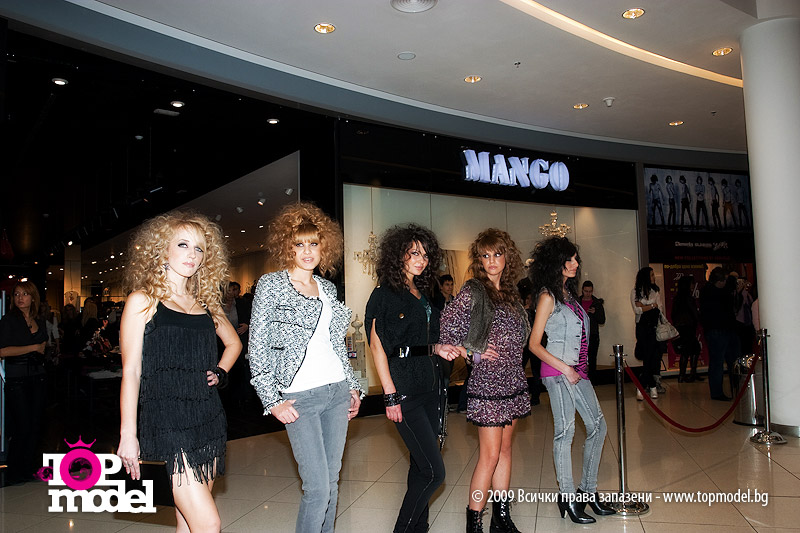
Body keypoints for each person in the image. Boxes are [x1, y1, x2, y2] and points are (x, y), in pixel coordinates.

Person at [116, 211, 241, 533]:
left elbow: (234, 343)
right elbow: (131, 371)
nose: (192, 254)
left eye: (199, 248)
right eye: (183, 245)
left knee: (187, 520)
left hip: (208, 418)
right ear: (163, 250)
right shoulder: (142, 301)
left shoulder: (206, 303)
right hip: (165, 421)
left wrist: (220, 372)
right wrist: (128, 434)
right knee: (209, 523)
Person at [248, 203, 364, 533]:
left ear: (324, 246)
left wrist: (353, 386)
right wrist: (271, 400)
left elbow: (335, 343)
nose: (308, 251)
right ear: (287, 247)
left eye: (314, 243)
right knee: (317, 489)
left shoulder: (327, 288)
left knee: (331, 483)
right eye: (299, 244)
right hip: (299, 397)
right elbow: (257, 345)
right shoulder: (271, 284)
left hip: (336, 391)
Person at [365, 223, 457, 533]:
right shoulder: (384, 294)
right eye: (414, 253)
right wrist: (389, 394)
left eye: (426, 255)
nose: (421, 260)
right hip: (404, 390)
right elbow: (377, 346)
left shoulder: (422, 294)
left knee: (420, 466)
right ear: (398, 254)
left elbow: (421, 339)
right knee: (434, 473)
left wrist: (438, 347)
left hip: (430, 387)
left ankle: (419, 528)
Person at [439, 229, 531, 533]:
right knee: (489, 456)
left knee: (505, 451)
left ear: (507, 257)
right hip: (488, 383)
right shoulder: (473, 290)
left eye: (497, 254)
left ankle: (501, 519)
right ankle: (474, 522)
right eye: (485, 255)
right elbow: (447, 331)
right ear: (479, 260)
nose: (492, 260)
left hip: (512, 380)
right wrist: (473, 354)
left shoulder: (510, 293)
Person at [528, 237, 614, 524]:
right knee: (565, 433)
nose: (576, 263)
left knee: (598, 427)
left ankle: (587, 491)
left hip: (578, 373)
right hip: (558, 373)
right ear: (557, 262)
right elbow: (534, 344)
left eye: (576, 258)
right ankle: (567, 495)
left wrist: (575, 369)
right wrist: (565, 369)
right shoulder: (547, 297)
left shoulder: (570, 295)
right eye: (570, 259)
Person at [0, 281, 48, 485]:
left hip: (38, 376)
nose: (20, 298)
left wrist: (39, 349)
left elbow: (43, 346)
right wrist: (33, 348)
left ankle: (27, 469)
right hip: (17, 378)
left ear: (33, 297)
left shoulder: (39, 320)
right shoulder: (8, 320)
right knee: (22, 426)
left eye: (25, 294)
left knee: (35, 425)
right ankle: (14, 471)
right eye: (17, 294)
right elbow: (2, 351)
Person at [699, 267, 740, 400]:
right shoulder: (715, 292)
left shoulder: (707, 291)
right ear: (720, 281)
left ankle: (730, 390)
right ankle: (724, 391)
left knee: (722, 361)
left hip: (720, 329)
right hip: (719, 330)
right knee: (720, 362)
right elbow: (727, 306)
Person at [631, 267, 664, 399]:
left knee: (650, 358)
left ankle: (644, 386)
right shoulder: (635, 292)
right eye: (651, 275)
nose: (654, 277)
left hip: (654, 328)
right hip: (642, 328)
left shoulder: (655, 291)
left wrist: (645, 305)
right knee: (646, 356)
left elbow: (659, 307)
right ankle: (652, 386)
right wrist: (651, 305)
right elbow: (637, 310)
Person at [670, 275, 703, 382]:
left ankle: (683, 375)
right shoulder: (689, 298)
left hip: (681, 327)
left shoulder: (677, 298)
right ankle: (690, 374)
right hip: (688, 327)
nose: (693, 286)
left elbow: (673, 314)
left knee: (686, 351)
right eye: (692, 284)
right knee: (694, 349)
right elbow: (694, 313)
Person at [580, 280, 606, 381]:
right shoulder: (577, 301)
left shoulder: (597, 303)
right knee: (579, 358)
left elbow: (602, 320)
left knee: (592, 359)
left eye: (590, 291)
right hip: (579, 334)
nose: (588, 294)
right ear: (582, 290)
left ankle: (592, 381)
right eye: (586, 291)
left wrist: (595, 313)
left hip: (593, 335)